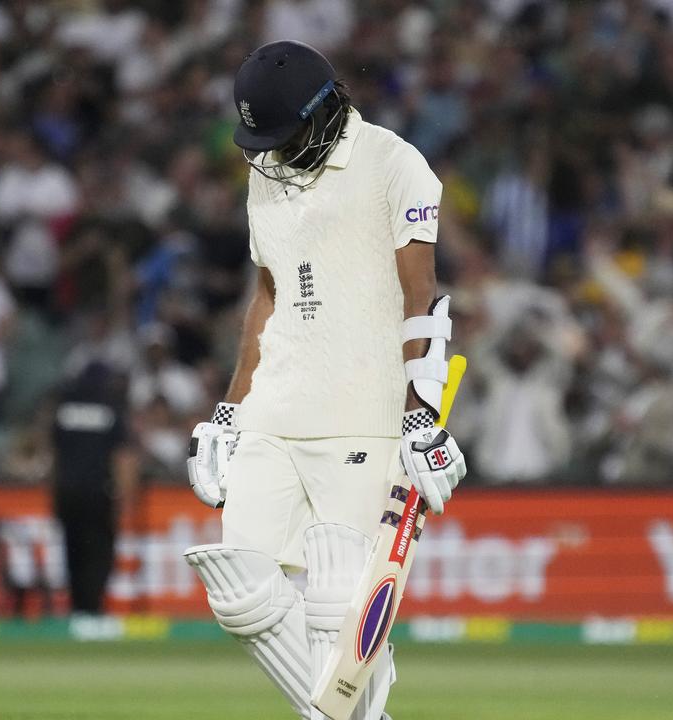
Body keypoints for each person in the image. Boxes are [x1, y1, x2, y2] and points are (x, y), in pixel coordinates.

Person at [183, 41, 467, 720]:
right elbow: (267, 296)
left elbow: (420, 297)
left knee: (336, 600)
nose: (272, 153)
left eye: (284, 135)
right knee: (237, 589)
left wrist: (421, 418)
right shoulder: (268, 173)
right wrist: (228, 413)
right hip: (275, 407)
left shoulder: (394, 164)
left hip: (362, 410)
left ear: (325, 108)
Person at [50, 362, 137, 617]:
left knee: (72, 551)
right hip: (98, 493)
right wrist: (124, 500)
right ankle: (92, 607)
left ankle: (77, 608)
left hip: (68, 491)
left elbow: (54, 454)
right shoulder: (110, 408)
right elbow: (122, 457)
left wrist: (56, 494)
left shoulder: (64, 408)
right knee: (99, 552)